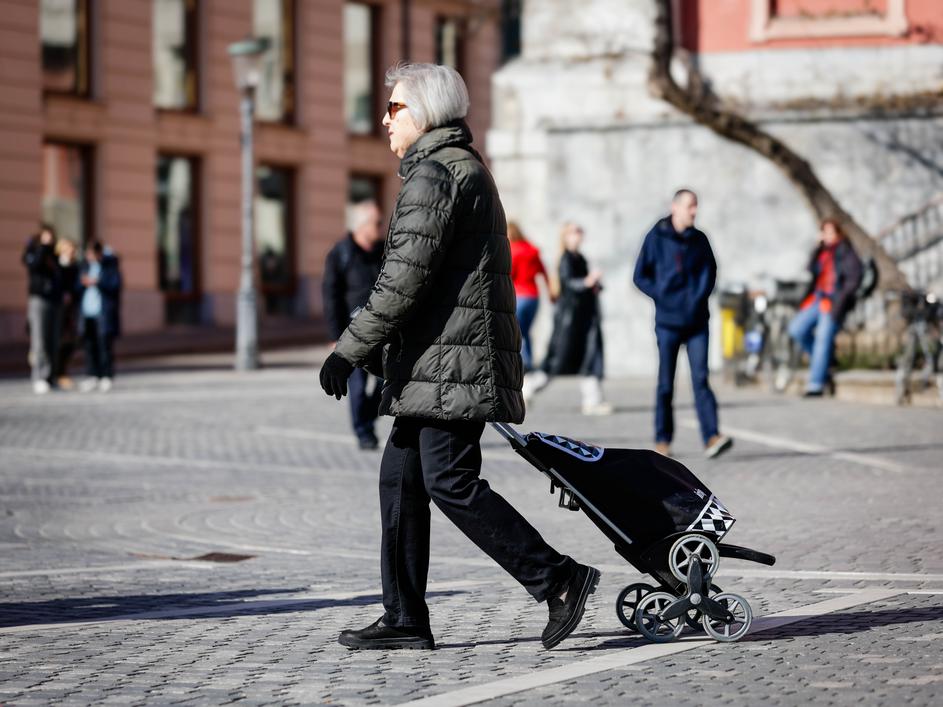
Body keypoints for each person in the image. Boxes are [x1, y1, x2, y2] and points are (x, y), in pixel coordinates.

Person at [318, 63, 599, 652]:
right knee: (400, 481)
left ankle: (559, 579)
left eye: (394, 108)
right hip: (440, 363)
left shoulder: (437, 174)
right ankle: (404, 617)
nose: (385, 120)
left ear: (422, 113)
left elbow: (402, 280)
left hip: (452, 365)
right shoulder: (455, 167)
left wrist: (348, 350)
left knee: (449, 479)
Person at [633, 189, 732, 459]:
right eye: (690, 206)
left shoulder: (700, 240)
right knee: (666, 383)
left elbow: (710, 272)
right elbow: (640, 276)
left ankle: (712, 437)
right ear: (674, 207)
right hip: (668, 323)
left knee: (701, 379)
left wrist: (698, 297)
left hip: (698, 321)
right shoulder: (655, 237)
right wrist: (663, 295)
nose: (694, 211)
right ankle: (662, 440)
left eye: (696, 206)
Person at [524, 223, 612, 415]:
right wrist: (587, 282)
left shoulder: (580, 258)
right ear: (565, 237)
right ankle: (527, 389)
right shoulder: (565, 259)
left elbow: (582, 285)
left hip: (584, 319)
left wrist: (593, 284)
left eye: (580, 232)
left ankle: (593, 400)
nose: (578, 236)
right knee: (557, 361)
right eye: (574, 232)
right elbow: (569, 284)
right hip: (569, 322)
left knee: (590, 358)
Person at [322, 199, 386, 449]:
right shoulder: (341, 254)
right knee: (357, 387)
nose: (380, 227)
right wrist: (334, 335)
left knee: (384, 383)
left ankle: (366, 419)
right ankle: (363, 433)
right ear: (361, 226)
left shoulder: (383, 251)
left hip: (381, 330)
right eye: (376, 223)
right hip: (351, 333)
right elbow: (331, 296)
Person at [788, 218, 863, 397]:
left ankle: (815, 385)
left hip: (834, 301)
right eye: (824, 232)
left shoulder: (846, 251)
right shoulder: (822, 251)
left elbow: (853, 280)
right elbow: (809, 270)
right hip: (817, 298)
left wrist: (837, 301)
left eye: (831, 232)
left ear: (838, 233)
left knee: (823, 335)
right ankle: (825, 361)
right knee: (796, 329)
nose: (827, 236)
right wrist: (816, 248)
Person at [21, 224, 62, 394]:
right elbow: (33, 265)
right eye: (46, 236)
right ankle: (39, 377)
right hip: (38, 299)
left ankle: (51, 377)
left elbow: (62, 274)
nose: (49, 239)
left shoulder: (55, 254)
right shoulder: (33, 251)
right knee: (39, 340)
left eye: (51, 236)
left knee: (53, 340)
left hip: (55, 300)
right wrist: (43, 248)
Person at [77, 241, 122, 393]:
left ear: (99, 253)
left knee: (104, 345)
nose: (89, 256)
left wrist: (98, 282)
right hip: (87, 312)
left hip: (103, 312)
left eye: (91, 253)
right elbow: (76, 286)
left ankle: (106, 375)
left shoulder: (110, 266)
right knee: (90, 346)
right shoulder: (85, 266)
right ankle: (92, 375)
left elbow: (115, 285)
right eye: (87, 253)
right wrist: (83, 283)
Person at [508, 222, 553, 372]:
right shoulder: (532, 250)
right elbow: (543, 271)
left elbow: (509, 274)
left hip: (519, 295)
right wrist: (550, 291)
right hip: (534, 297)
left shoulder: (512, 250)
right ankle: (529, 361)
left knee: (517, 331)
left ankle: (523, 363)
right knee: (525, 331)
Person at [54, 238, 80, 390]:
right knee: (58, 341)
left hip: (71, 309)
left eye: (73, 248)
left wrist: (73, 294)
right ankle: (57, 373)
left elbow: (77, 286)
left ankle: (62, 373)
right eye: (69, 248)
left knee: (71, 342)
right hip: (57, 309)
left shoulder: (76, 266)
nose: (72, 251)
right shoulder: (56, 265)